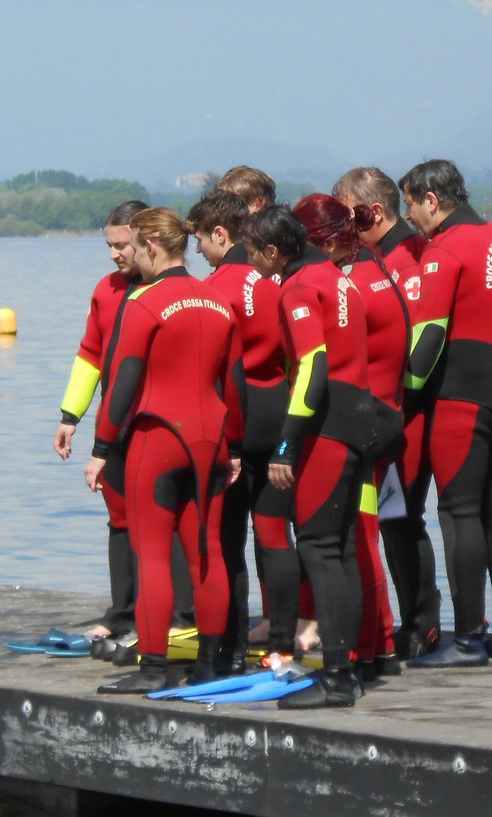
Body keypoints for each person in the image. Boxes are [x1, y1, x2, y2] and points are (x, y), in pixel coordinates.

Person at [89, 207, 247, 694]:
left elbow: (124, 379)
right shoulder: (219, 302)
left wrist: (101, 446)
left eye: (134, 248)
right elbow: (234, 383)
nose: (131, 256)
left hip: (158, 440)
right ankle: (210, 664)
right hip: (213, 442)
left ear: (152, 248)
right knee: (209, 552)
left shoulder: (143, 302)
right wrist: (235, 446)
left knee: (152, 554)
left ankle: (154, 667)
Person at [243, 203, 379, 708]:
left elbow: (313, 365)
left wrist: (287, 442)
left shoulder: (298, 288)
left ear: (274, 252)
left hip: (325, 428)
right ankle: (352, 667)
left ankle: (337, 678)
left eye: (253, 251)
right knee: (339, 548)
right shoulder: (338, 276)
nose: (250, 259)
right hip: (358, 419)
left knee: (319, 549)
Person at [399, 159, 492, 666]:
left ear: (432, 199)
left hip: (463, 392)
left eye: (410, 203)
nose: (408, 215)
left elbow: (428, 335)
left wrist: (402, 397)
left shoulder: (445, 249)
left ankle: (468, 637)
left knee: (459, 510)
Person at [295, 193, 408, 679]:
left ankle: (359, 652)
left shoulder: (340, 282)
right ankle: (379, 646)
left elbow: (315, 365)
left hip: (345, 426)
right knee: (363, 538)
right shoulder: (377, 271)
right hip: (378, 418)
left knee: (350, 541)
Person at [334, 166, 439, 657]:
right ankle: (405, 621)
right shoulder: (377, 256)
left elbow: (421, 340)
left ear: (373, 212)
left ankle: (422, 622)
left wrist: (397, 406)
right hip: (387, 409)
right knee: (393, 518)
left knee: (400, 517)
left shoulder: (406, 259)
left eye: (346, 214)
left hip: (404, 410)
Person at [190, 187, 289, 673]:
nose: (199, 255)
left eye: (201, 244)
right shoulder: (274, 279)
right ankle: (283, 637)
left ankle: (229, 646)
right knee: (274, 532)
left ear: (220, 234)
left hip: (239, 415)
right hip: (281, 406)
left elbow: (217, 371)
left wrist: (225, 441)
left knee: (228, 539)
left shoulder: (213, 291)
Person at [54, 199, 148, 640]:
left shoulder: (168, 289)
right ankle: (121, 612)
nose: (114, 254)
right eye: (109, 245)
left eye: (121, 245)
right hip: (113, 422)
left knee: (157, 521)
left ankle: (160, 614)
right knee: (119, 519)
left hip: (157, 423)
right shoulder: (105, 290)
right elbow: (91, 354)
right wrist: (71, 414)